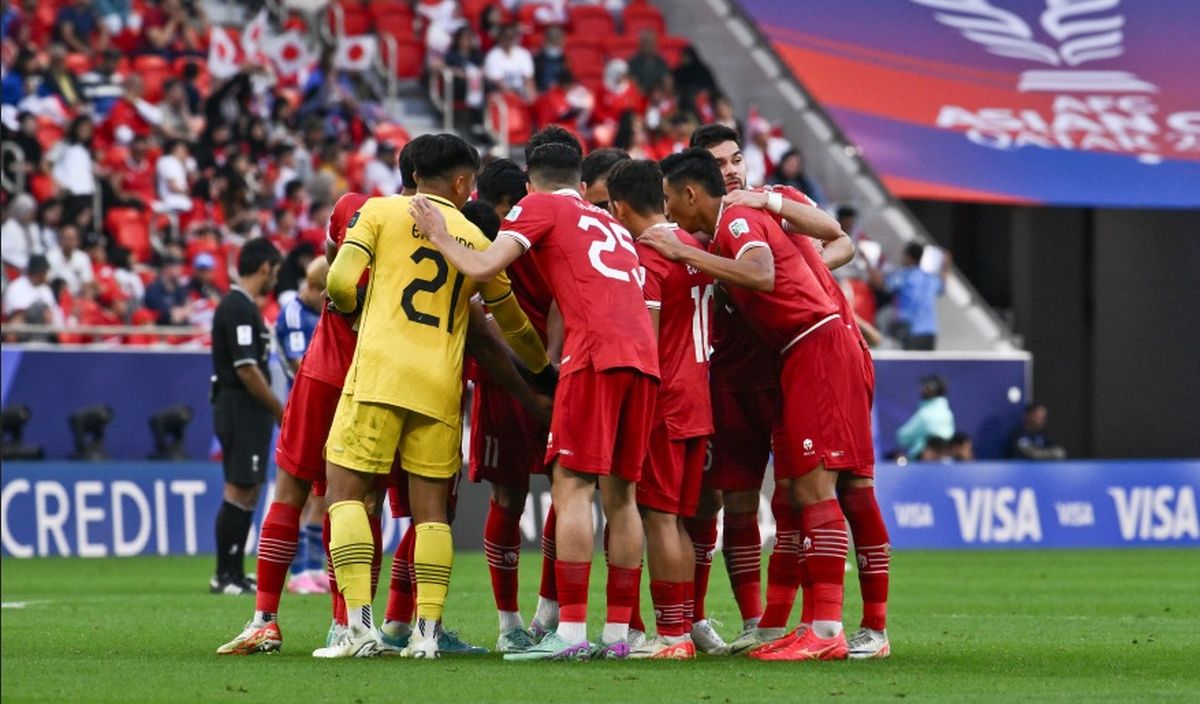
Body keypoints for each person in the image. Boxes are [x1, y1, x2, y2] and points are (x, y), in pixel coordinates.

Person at [410, 142, 659, 661]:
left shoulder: (540, 205)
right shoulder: (606, 219)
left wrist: (438, 234)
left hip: (593, 356)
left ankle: (567, 635)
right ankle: (617, 637)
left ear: (530, 179)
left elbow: (483, 267)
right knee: (623, 497)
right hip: (643, 357)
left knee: (571, 486)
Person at [317, 133, 550, 659]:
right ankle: (425, 634)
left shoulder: (376, 212)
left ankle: (359, 626)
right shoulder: (472, 234)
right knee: (430, 516)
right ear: (463, 182)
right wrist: (541, 367)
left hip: (378, 374)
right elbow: (510, 323)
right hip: (438, 385)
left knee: (346, 495)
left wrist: (356, 313)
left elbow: (337, 280)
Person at [640, 147, 874, 661]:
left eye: (668, 200)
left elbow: (764, 273)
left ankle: (828, 629)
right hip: (801, 349)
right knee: (808, 488)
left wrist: (686, 255)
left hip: (815, 345)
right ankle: (815, 624)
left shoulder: (739, 220)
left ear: (690, 194)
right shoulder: (734, 224)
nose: (668, 212)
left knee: (815, 485)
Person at [607, 159, 713, 659]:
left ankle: (671, 637)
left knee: (660, 520)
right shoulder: (695, 246)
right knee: (680, 522)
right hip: (698, 399)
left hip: (664, 403)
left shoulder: (648, 259)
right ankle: (682, 628)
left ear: (619, 207)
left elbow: (644, 342)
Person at [209, 238, 285, 595]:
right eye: (276, 270)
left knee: (250, 487)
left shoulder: (245, 307)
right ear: (265, 267)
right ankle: (224, 575)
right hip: (240, 405)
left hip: (247, 408)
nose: (276, 279)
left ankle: (235, 573)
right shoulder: (237, 307)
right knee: (239, 488)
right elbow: (247, 369)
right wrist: (278, 410)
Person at [871, 242, 949, 350]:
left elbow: (882, 285)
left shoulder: (904, 276)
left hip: (910, 332)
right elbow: (943, 287)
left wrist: (868, 263)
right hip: (930, 332)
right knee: (927, 366)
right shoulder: (930, 278)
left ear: (908, 257)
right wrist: (945, 266)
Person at [897, 375, 955, 459]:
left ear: (932, 389)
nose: (921, 389)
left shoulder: (925, 414)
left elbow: (903, 437)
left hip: (922, 461)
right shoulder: (947, 413)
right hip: (943, 459)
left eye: (925, 387)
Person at [2, 255, 62, 331]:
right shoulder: (16, 286)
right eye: (43, 272)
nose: (46, 275)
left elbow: (54, 311)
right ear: (36, 272)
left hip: (43, 329)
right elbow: (16, 313)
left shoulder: (45, 289)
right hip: (23, 330)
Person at [2, 193, 53, 271]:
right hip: (14, 267)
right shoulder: (8, 228)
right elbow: (5, 254)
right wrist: (26, 263)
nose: (32, 215)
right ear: (21, 211)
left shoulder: (33, 227)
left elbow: (37, 247)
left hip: (33, 267)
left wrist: (41, 260)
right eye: (30, 212)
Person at [483, 22, 535, 100]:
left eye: (511, 37)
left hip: (522, 93)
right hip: (502, 94)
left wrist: (530, 95)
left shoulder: (524, 54)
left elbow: (528, 78)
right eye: (506, 37)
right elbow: (497, 81)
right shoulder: (492, 56)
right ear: (500, 37)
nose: (508, 39)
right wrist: (513, 96)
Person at [45, 224, 93, 296]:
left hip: (77, 297)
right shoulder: (50, 256)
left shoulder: (83, 257)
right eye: (66, 238)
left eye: (71, 239)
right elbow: (47, 281)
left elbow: (87, 282)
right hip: (56, 296)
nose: (68, 242)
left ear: (77, 241)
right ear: (59, 240)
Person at [144, 254, 191, 326]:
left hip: (181, 328)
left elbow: (188, 306)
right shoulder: (153, 288)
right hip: (161, 330)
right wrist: (175, 313)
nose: (180, 270)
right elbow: (159, 312)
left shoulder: (179, 287)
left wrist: (181, 312)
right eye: (177, 267)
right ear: (167, 268)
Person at [628, 30, 670, 95]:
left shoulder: (661, 62)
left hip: (658, 97)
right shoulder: (632, 62)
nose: (650, 46)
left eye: (653, 43)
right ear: (641, 44)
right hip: (641, 98)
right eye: (647, 43)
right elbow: (633, 84)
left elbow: (667, 80)